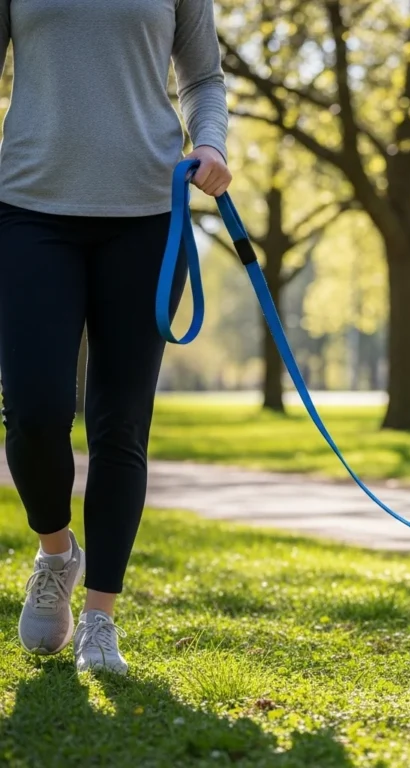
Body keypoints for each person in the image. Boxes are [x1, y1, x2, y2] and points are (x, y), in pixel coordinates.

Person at [0, 0, 230, 674]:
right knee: (35, 411)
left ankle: (99, 617)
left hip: (146, 212)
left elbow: (203, 77)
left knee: (120, 424)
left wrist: (210, 141)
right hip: (28, 209)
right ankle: (55, 552)